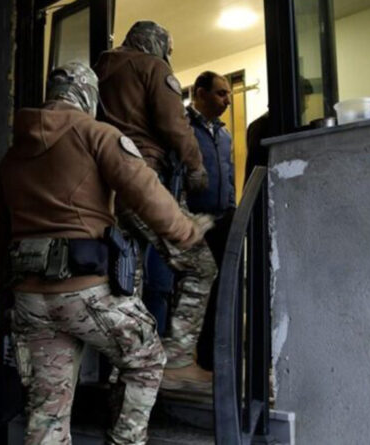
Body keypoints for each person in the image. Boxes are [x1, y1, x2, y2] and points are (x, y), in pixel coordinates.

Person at [0, 62, 212, 445]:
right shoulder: (96, 134)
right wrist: (186, 230)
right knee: (146, 358)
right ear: (88, 95)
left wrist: (7, 287)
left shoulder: (12, 156)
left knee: (47, 413)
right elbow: (145, 190)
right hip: (86, 291)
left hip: (30, 299)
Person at [93, 20, 218, 391]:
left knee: (127, 278)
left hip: (106, 188)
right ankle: (177, 360)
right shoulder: (152, 67)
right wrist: (196, 166)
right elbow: (174, 124)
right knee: (200, 265)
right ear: (158, 44)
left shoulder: (100, 70)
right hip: (144, 181)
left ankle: (126, 367)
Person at [185, 71, 235, 372]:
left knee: (220, 289)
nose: (227, 100)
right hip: (191, 222)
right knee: (191, 290)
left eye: (228, 94)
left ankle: (209, 358)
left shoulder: (225, 135)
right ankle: (179, 358)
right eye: (221, 93)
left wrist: (232, 209)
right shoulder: (183, 128)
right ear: (200, 94)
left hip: (222, 221)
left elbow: (228, 174)